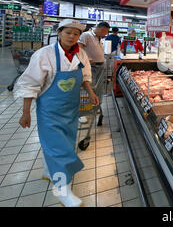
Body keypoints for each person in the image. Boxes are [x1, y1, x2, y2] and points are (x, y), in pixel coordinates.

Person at [14, 19, 100, 207]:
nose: (72, 37)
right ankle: (63, 192)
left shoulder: (81, 54)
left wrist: (91, 93)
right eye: (68, 32)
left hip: (70, 111)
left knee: (64, 144)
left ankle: (48, 171)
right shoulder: (44, 55)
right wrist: (25, 112)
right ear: (59, 32)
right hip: (49, 112)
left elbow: (85, 77)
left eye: (76, 34)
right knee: (60, 149)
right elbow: (30, 84)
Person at [78, 22, 110, 124]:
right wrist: (86, 59)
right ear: (102, 29)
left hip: (99, 67)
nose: (106, 34)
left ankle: (93, 108)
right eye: (106, 31)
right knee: (88, 89)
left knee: (97, 89)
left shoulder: (99, 38)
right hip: (91, 67)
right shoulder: (86, 35)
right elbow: (78, 49)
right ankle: (83, 113)